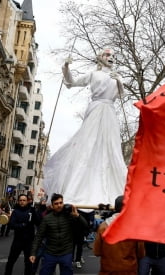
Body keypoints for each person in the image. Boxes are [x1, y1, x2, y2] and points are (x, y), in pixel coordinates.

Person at [43, 48, 127, 207]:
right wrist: (66, 67)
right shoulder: (94, 74)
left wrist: (119, 82)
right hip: (95, 110)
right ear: (100, 57)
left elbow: (121, 95)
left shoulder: (117, 76)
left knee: (112, 147)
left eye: (113, 56)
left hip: (109, 112)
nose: (111, 58)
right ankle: (77, 189)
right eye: (108, 55)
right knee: (87, 145)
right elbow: (71, 83)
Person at [29, 193, 88, 275]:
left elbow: (85, 226)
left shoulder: (70, 216)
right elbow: (39, 236)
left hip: (66, 253)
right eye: (56, 204)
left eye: (61, 203)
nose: (59, 205)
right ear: (52, 206)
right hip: (50, 253)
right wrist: (33, 253)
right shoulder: (47, 218)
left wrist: (77, 215)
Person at [94, 195, 145, 275]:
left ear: (115, 208)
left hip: (108, 270)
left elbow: (96, 252)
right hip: (128, 271)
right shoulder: (135, 228)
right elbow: (141, 253)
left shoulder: (103, 227)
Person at [4, 194, 41, 275]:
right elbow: (11, 225)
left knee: (28, 263)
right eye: (20, 200)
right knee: (11, 261)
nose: (22, 202)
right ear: (18, 201)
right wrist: (22, 225)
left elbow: (38, 222)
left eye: (24, 200)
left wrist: (35, 212)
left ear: (27, 201)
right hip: (18, 240)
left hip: (29, 241)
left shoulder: (31, 210)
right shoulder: (15, 211)